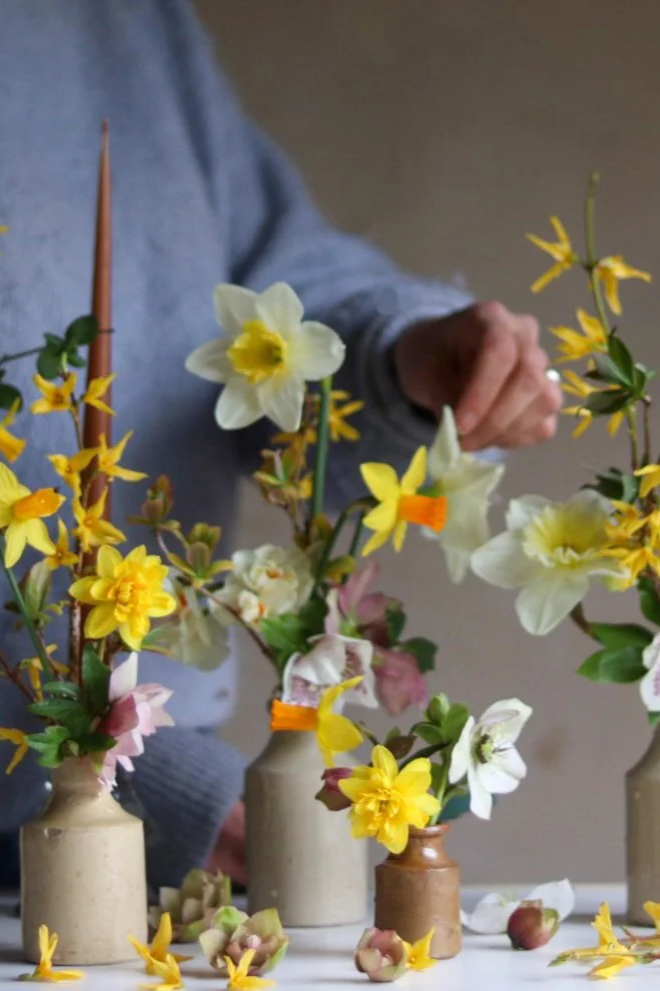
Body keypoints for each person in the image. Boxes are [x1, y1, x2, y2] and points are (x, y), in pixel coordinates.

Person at [0, 0, 561, 890]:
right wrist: (128, 779)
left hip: (142, 796)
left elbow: (276, 298)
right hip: (123, 789)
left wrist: (401, 363)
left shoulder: (125, 21)